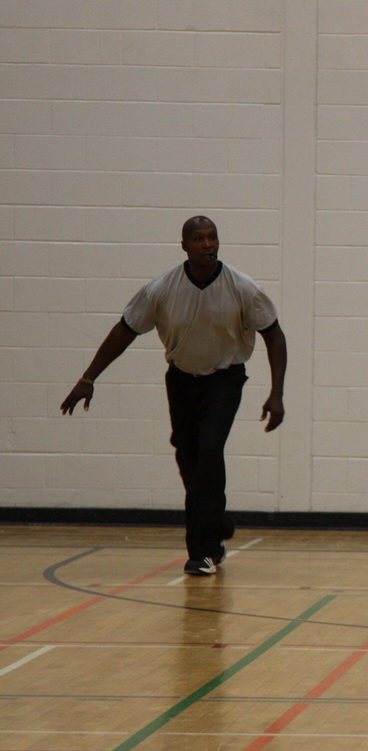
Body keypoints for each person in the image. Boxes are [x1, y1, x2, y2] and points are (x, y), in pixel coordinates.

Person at [60, 216, 287, 577]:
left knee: (209, 450)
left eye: (212, 238)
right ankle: (216, 523)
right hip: (181, 381)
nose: (207, 245)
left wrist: (277, 393)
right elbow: (125, 330)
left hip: (225, 381)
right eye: (199, 239)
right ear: (184, 246)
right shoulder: (161, 289)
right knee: (189, 457)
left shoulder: (243, 287)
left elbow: (274, 334)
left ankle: (202, 553)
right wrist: (88, 378)